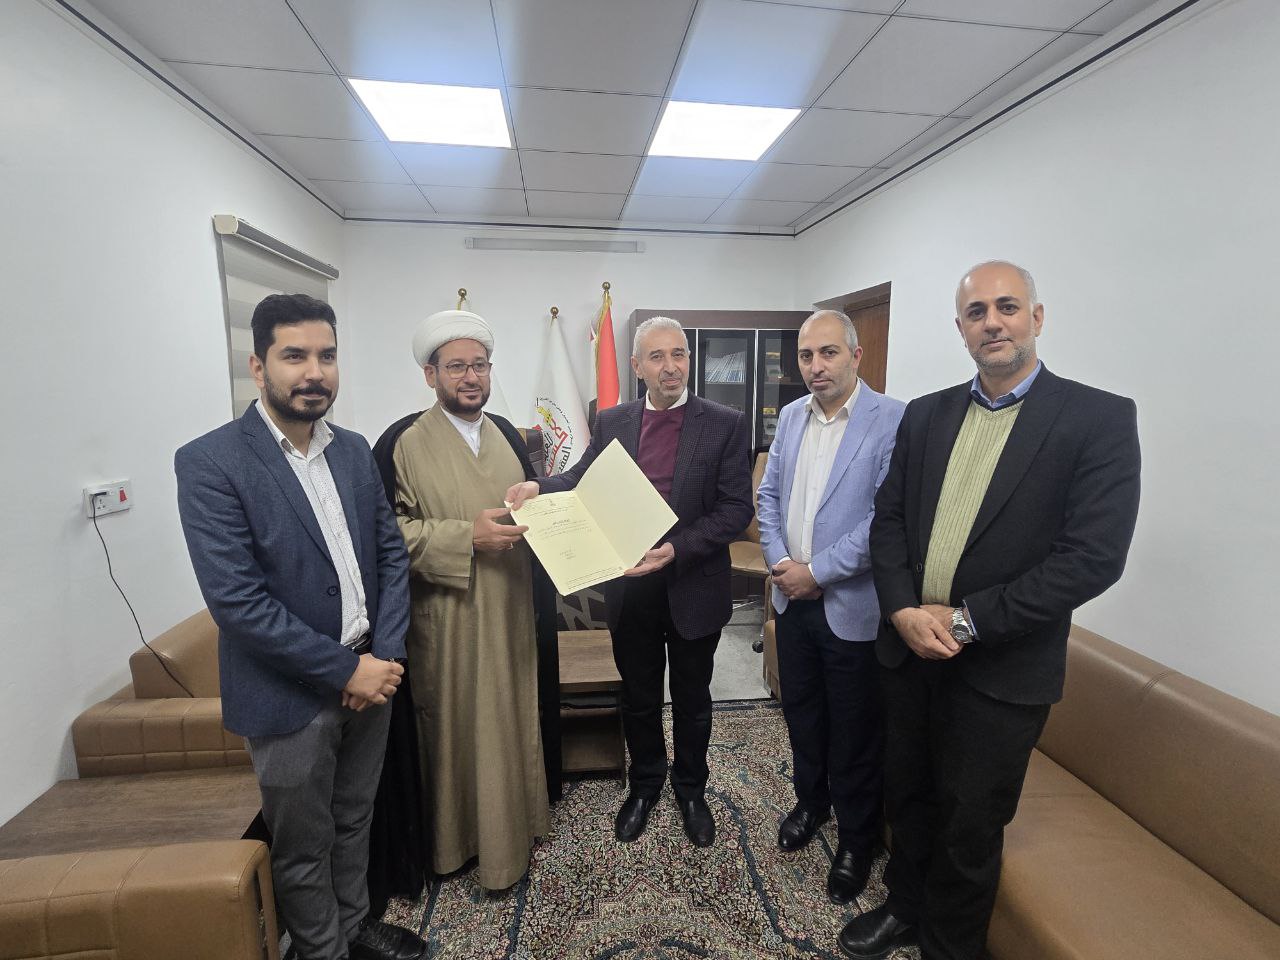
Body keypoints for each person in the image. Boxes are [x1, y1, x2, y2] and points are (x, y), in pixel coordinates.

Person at [839, 262, 1141, 960]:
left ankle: (950, 945)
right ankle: (904, 906)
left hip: (1003, 670)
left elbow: (1091, 558)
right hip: (909, 652)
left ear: (1037, 318)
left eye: (1008, 306)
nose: (992, 322)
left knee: (970, 822)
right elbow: (889, 523)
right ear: (961, 328)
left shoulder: (1096, 419)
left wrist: (968, 621)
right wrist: (903, 610)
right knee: (908, 794)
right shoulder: (927, 414)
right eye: (976, 312)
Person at [175, 293, 424, 960]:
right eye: (295, 356)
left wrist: (383, 657)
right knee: (303, 844)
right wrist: (346, 670)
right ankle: (322, 951)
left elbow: (391, 556)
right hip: (289, 695)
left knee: (355, 818)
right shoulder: (210, 462)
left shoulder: (353, 450)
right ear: (258, 367)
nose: (314, 372)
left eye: (326, 355)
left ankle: (354, 926)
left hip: (373, 675)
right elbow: (238, 603)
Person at [508, 316, 753, 848]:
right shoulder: (613, 420)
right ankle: (644, 784)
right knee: (639, 696)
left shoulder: (725, 423)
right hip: (630, 585)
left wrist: (676, 549)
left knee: (692, 700)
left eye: (679, 354)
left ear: (689, 360)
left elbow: (736, 509)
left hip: (692, 583)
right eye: (657, 357)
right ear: (637, 366)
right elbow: (582, 479)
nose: (671, 366)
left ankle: (691, 790)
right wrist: (539, 486)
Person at [377, 309, 554, 892]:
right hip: (449, 619)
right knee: (459, 729)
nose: (471, 377)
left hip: (513, 610)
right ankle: (458, 845)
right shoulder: (403, 444)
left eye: (480, 365)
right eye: (456, 367)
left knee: (512, 717)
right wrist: (463, 538)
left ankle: (519, 827)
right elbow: (386, 537)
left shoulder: (507, 433)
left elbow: (539, 509)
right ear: (430, 376)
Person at [755, 310, 904, 904]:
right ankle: (811, 803)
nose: (816, 366)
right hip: (791, 602)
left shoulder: (891, 420)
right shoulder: (792, 416)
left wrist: (816, 572)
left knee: (854, 729)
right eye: (806, 356)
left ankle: (857, 840)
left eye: (828, 353)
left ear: (856, 355)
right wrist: (781, 564)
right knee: (803, 714)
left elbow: (883, 520)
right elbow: (768, 497)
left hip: (851, 606)